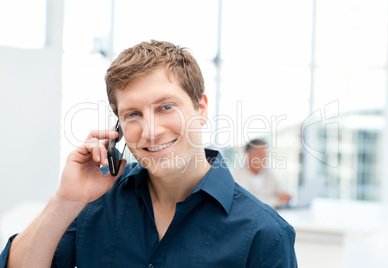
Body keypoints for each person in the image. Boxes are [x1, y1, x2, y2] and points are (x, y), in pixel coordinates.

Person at [0, 40, 297, 267]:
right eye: (133, 114)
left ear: (201, 108)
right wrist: (66, 200)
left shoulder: (265, 235)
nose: (151, 130)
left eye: (166, 107)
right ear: (118, 128)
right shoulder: (94, 205)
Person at [234, 139, 292, 209]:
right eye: (259, 155)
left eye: (265, 155)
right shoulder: (237, 176)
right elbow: (249, 203)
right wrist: (276, 200)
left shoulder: (269, 173)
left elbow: (285, 195)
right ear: (248, 155)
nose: (263, 159)